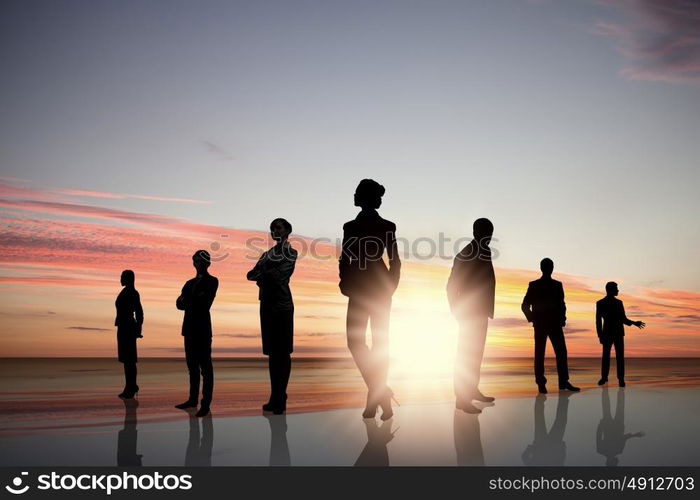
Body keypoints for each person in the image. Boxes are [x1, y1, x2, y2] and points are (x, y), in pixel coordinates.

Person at [339, 179, 401, 420]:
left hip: (378, 290)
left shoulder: (387, 226)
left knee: (379, 344)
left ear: (364, 197)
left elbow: (395, 259)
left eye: (356, 193)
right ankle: (381, 392)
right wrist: (344, 281)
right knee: (357, 343)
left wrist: (391, 286)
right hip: (359, 289)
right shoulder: (349, 227)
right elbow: (345, 258)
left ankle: (376, 398)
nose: (353, 196)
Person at [247, 218, 298, 415]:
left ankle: (280, 396)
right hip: (267, 305)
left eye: (277, 227)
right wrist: (265, 273)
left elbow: (280, 277)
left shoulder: (290, 252)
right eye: (271, 228)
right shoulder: (266, 254)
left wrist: (264, 272)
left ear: (287, 230)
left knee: (282, 353)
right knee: (272, 354)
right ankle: (274, 396)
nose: (273, 231)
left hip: (282, 306)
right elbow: (250, 274)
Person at [447, 218, 496, 414]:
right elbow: (452, 285)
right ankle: (461, 398)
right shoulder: (466, 253)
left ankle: (472, 390)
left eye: (491, 233)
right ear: (477, 232)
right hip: (469, 314)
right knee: (466, 356)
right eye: (487, 233)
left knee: (476, 355)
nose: (490, 237)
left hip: (481, 312)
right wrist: (456, 311)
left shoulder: (485, 251)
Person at [521, 258, 579, 394]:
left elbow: (562, 304)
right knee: (540, 353)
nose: (550, 268)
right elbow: (524, 305)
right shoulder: (534, 285)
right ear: (543, 268)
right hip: (540, 324)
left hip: (555, 323)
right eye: (548, 266)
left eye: (551, 266)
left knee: (561, 353)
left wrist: (563, 318)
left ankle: (563, 382)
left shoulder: (558, 285)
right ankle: (541, 383)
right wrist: (532, 318)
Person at [175, 250, 219, 417]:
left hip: (202, 329)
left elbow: (205, 303)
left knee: (205, 368)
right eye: (196, 261)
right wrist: (191, 298)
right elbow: (179, 304)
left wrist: (188, 299)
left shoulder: (212, 281)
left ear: (208, 263)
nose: (198, 264)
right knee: (192, 367)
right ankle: (192, 400)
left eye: (201, 261)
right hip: (189, 329)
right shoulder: (189, 283)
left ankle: (205, 404)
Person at [596, 282, 645, 387]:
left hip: (617, 333)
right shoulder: (601, 303)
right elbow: (598, 321)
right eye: (616, 288)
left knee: (619, 357)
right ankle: (604, 377)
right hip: (608, 333)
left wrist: (634, 323)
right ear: (611, 290)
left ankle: (620, 379)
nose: (618, 290)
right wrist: (600, 335)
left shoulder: (618, 303)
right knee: (606, 356)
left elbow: (623, 319)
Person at [596, 387, 644, 466]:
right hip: (610, 426)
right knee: (607, 407)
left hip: (616, 426)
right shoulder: (601, 450)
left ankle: (620, 390)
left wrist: (635, 435)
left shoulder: (618, 450)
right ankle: (606, 389)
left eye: (616, 463)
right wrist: (601, 424)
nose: (618, 462)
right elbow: (598, 435)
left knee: (619, 406)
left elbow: (623, 438)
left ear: (611, 463)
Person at [114, 269, 143, 399]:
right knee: (126, 360)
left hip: (128, 327)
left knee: (129, 360)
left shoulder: (133, 293)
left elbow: (139, 312)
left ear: (128, 278)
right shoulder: (126, 291)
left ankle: (131, 387)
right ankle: (130, 386)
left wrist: (138, 329)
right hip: (122, 326)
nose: (120, 279)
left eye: (122, 277)